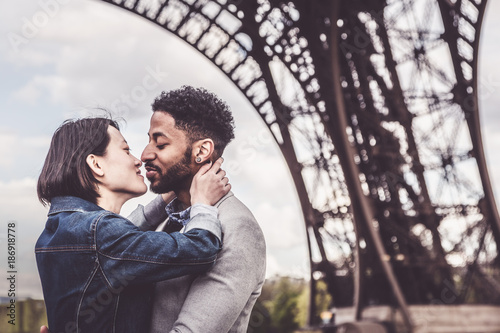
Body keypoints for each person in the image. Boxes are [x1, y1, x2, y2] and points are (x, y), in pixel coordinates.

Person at [35, 117, 230, 333]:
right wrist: (202, 202)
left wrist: (167, 195)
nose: (138, 160)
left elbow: (119, 248)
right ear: (96, 164)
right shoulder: (101, 234)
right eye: (126, 150)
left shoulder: (61, 229)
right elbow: (201, 249)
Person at [134, 86, 267, 332]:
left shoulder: (239, 229)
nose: (144, 154)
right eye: (148, 140)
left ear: (202, 151)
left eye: (160, 144)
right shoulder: (168, 220)